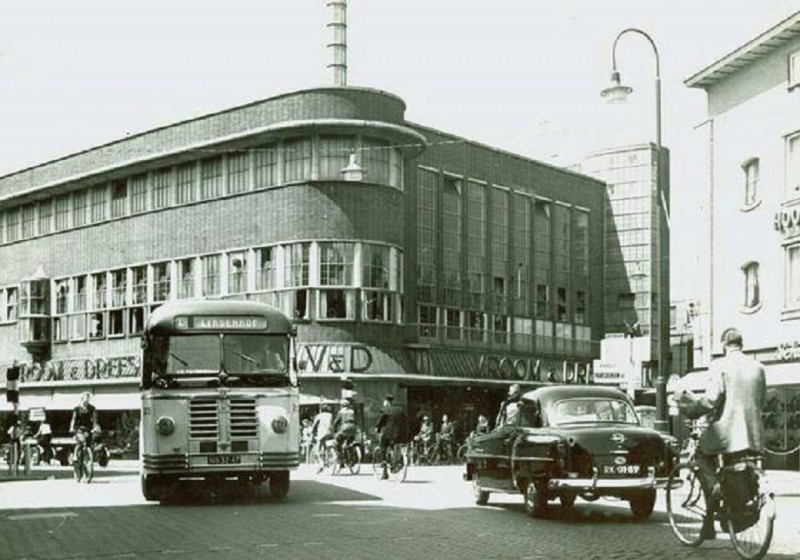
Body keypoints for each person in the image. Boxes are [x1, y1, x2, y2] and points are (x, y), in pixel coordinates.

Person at [677, 327, 766, 540]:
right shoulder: (758, 367)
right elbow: (761, 400)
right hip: (752, 435)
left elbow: (712, 399)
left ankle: (716, 488)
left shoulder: (720, 365)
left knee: (701, 456)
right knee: (733, 467)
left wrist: (692, 410)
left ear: (724, 345)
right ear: (741, 344)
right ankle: (712, 521)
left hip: (726, 434)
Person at [375, 394, 407, 479]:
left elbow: (380, 422)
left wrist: (377, 429)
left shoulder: (385, 409)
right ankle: (398, 462)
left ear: (386, 401)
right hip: (399, 434)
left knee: (382, 447)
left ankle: (384, 462)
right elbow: (405, 421)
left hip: (388, 434)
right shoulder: (400, 409)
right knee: (396, 446)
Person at [69, 392, 99, 460]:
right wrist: (71, 427)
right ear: (82, 399)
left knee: (89, 443)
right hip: (79, 429)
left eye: (88, 399)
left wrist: (95, 427)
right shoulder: (77, 409)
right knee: (81, 441)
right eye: (86, 399)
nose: (87, 400)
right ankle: (75, 455)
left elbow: (94, 419)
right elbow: (73, 419)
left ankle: (88, 460)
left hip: (88, 428)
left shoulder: (92, 408)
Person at [311, 404, 334, 473]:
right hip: (330, 432)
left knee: (318, 449)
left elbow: (314, 425)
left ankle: (321, 464)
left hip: (322, 432)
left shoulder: (319, 415)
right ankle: (329, 457)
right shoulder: (330, 415)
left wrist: (312, 432)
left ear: (321, 410)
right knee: (327, 445)